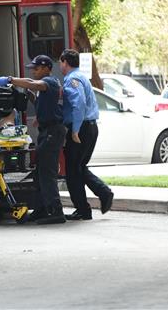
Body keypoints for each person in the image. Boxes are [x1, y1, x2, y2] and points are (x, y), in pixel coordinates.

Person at [0, 55, 66, 225]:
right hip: (46, 132)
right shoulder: (44, 87)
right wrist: (25, 92)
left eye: (36, 68)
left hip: (52, 132)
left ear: (46, 68)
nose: (33, 71)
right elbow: (30, 84)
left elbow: (33, 84)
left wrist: (12, 79)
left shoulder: (49, 82)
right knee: (39, 172)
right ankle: (42, 208)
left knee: (47, 173)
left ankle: (56, 211)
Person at [58, 49, 113, 220]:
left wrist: (74, 130)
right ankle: (101, 196)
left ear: (65, 62)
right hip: (89, 127)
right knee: (78, 167)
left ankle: (84, 207)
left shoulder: (72, 79)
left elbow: (79, 103)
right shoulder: (80, 77)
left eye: (61, 62)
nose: (60, 65)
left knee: (73, 170)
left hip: (81, 129)